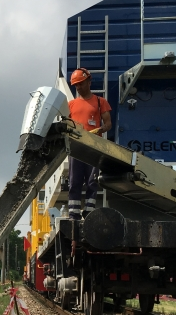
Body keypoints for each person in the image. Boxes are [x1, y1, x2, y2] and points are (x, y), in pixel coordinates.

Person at [67, 67, 112, 220]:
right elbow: (66, 125)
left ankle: (89, 210)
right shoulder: (71, 105)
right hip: (76, 147)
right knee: (74, 180)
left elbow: (108, 123)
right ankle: (73, 212)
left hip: (93, 147)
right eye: (76, 85)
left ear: (88, 82)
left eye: (81, 84)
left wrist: (101, 128)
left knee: (92, 181)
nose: (78, 87)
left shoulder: (100, 102)